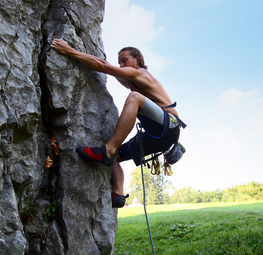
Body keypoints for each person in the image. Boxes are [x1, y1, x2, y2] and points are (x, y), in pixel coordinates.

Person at [51, 39, 184, 207]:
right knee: (115, 158)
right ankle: (118, 193)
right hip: (155, 136)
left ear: (138, 60)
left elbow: (104, 66)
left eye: (125, 60)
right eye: (119, 62)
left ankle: (107, 150)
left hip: (169, 125)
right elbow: (108, 69)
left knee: (134, 98)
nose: (121, 65)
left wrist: (69, 51)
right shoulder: (132, 79)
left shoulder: (142, 74)